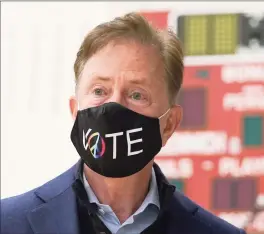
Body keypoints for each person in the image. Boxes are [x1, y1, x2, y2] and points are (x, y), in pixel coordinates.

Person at [1, 12, 246, 234]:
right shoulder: (9, 224)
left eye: (137, 94)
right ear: (75, 111)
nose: (114, 106)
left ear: (169, 123)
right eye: (99, 90)